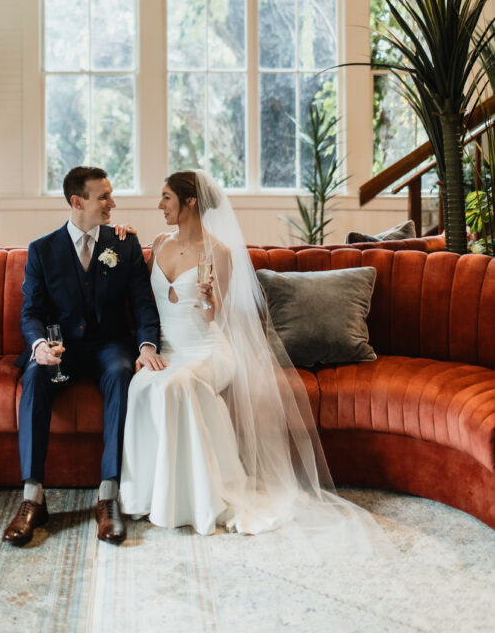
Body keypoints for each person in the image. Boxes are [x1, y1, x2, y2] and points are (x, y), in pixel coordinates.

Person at [120, 170, 390, 553]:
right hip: (167, 349)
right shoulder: (160, 242)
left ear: (190, 201)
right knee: (143, 384)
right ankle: (150, 495)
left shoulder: (219, 253)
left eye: (166, 197)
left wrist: (208, 299)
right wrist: (148, 349)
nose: (159, 205)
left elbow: (216, 318)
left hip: (206, 349)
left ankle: (206, 497)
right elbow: (146, 305)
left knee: (179, 385)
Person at [3, 166, 163, 547]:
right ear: (78, 202)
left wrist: (146, 346)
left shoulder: (123, 244)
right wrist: (39, 346)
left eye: (111, 195)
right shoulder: (42, 250)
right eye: (103, 196)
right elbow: (31, 313)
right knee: (33, 377)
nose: (112, 203)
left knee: (124, 374)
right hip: (61, 348)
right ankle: (32, 499)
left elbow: (142, 304)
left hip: (109, 346)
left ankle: (108, 497)